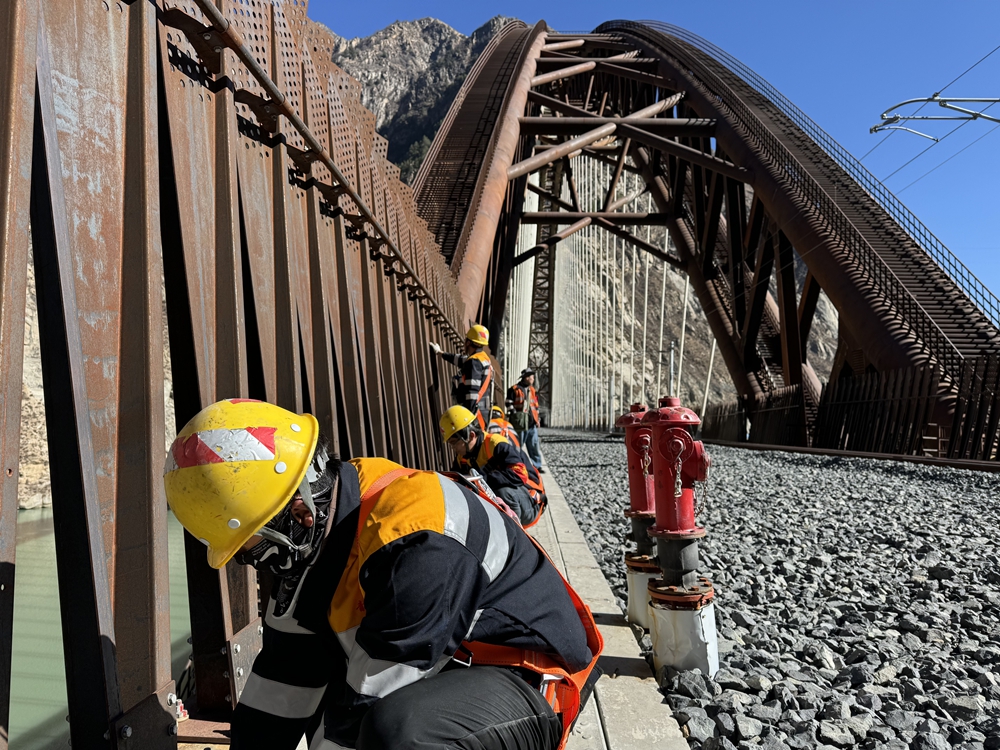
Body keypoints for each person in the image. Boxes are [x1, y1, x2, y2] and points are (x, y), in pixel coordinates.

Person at [164, 398, 601, 750]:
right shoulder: (327, 525)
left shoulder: (417, 541)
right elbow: (282, 680)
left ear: (299, 514)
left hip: (524, 683)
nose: (253, 563)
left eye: (253, 548)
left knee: (397, 733)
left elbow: (363, 715)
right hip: (447, 662)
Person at [440, 404, 540, 527]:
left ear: (471, 435)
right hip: (511, 502)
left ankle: (516, 536)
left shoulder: (496, 444)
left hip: (529, 504)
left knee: (503, 492)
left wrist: (483, 480)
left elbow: (520, 474)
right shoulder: (463, 457)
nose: (453, 448)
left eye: (454, 443)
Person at [429, 325, 493, 430]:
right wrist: (440, 353)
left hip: (474, 415)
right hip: (482, 413)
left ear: (468, 342)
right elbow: (460, 360)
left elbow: (472, 393)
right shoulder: (482, 358)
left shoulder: (474, 362)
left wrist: (467, 420)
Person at [508, 368, 543, 472]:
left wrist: (538, 419)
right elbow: (508, 402)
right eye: (532, 377)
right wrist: (515, 414)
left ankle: (537, 465)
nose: (533, 379)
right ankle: (517, 464)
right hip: (520, 424)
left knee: (534, 445)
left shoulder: (532, 390)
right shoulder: (514, 389)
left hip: (531, 424)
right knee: (518, 445)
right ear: (526, 378)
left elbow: (535, 406)